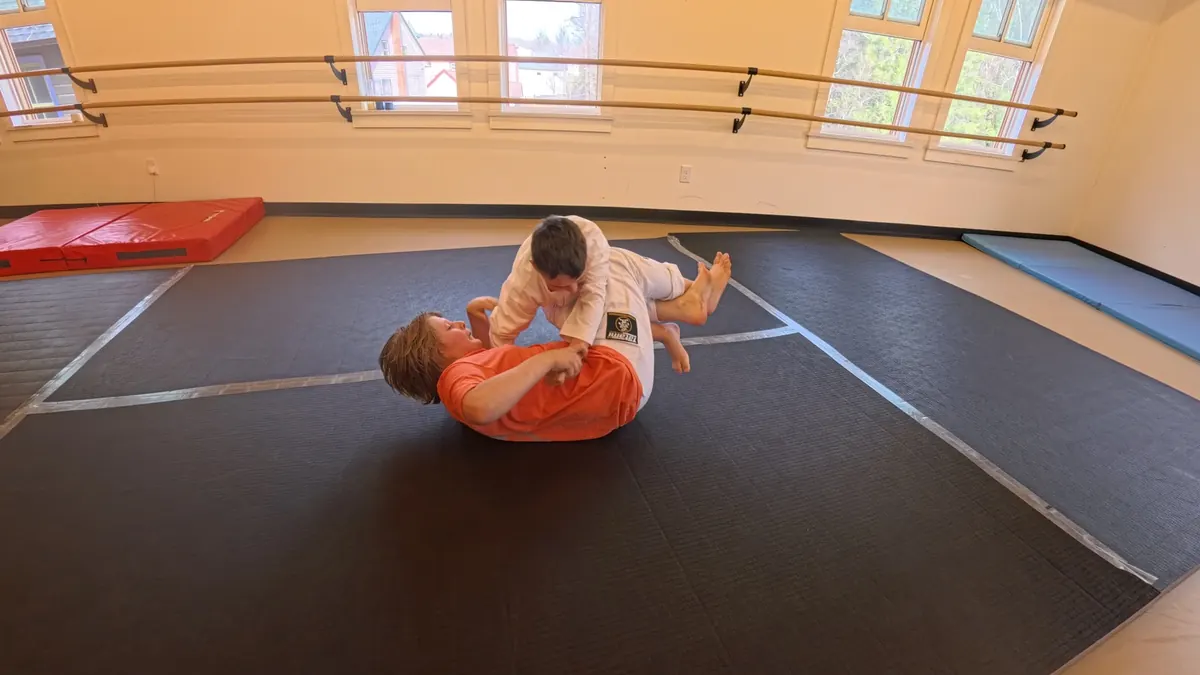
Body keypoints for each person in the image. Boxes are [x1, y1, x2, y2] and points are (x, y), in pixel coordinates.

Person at [379, 249, 733, 442]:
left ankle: (666, 327)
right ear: (434, 354)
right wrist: (546, 361)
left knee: (563, 302)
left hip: (613, 388)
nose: (457, 323)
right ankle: (689, 294)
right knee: (604, 263)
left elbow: (490, 360)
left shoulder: (466, 376)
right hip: (617, 375)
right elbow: (480, 406)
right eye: (448, 327)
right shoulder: (457, 384)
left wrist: (475, 317)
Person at [488, 215, 611, 355]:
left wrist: (579, 343)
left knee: (599, 332)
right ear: (536, 267)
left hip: (603, 272)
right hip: (543, 294)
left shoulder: (594, 245)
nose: (574, 289)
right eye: (560, 286)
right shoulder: (525, 282)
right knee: (569, 327)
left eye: (576, 280)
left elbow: (594, 295)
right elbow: (501, 334)